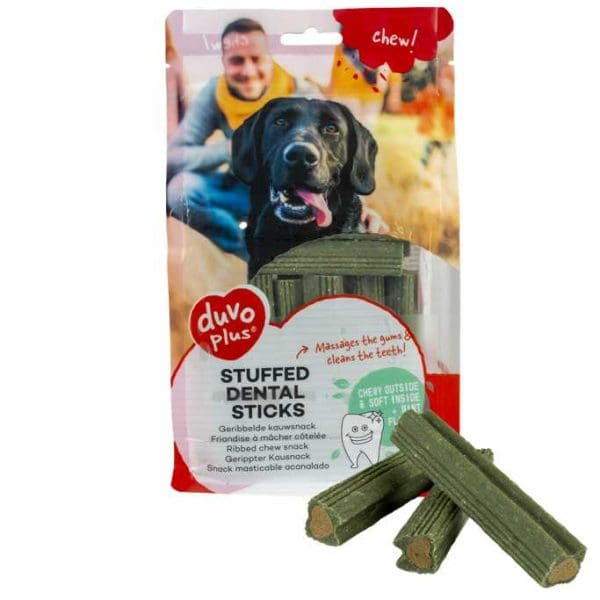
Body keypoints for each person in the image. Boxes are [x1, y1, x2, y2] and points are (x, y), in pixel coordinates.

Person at [167, 18, 388, 261]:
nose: (248, 71)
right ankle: (254, 255)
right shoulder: (215, 93)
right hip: (242, 187)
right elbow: (174, 155)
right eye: (237, 60)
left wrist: (361, 208)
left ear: (269, 58)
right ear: (224, 62)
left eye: (256, 59)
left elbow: (336, 156)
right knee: (181, 189)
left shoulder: (303, 95)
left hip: (298, 189)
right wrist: (229, 149)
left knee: (351, 231)